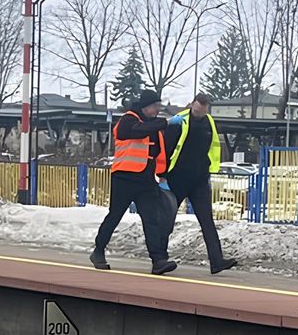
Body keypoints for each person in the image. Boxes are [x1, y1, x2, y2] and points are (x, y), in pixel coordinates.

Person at [92, 89, 184, 275]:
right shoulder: (128, 120)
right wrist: (165, 123)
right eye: (155, 106)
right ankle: (98, 250)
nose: (158, 110)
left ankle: (158, 260)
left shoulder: (153, 126)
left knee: (152, 219)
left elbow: (158, 154)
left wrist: (162, 176)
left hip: (145, 180)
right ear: (146, 106)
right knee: (115, 215)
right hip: (124, 178)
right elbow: (137, 131)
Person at [162, 93, 238, 274]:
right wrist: (162, 175)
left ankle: (217, 261)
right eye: (198, 107)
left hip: (200, 179)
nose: (201, 111)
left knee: (207, 220)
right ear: (192, 104)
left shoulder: (209, 122)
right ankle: (160, 258)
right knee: (167, 219)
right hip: (178, 178)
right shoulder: (179, 121)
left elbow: (213, 146)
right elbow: (166, 148)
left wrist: (210, 170)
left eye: (204, 108)